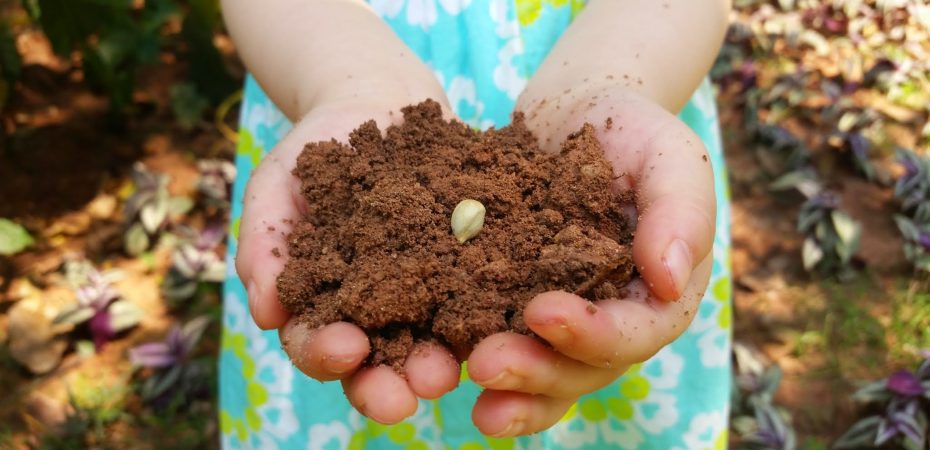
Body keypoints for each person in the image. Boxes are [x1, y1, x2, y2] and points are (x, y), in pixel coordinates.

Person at [218, 0, 733, 448]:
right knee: (357, 360)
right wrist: (345, 80)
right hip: (310, 62)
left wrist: (607, 80)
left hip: (645, 52)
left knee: (583, 341)